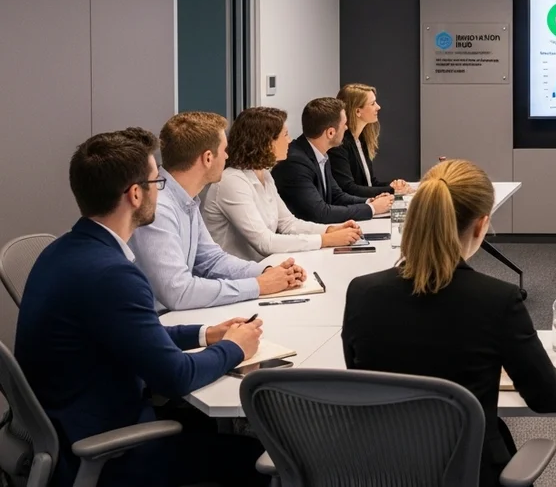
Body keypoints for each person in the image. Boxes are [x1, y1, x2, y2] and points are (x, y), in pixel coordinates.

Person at [16, 128, 267, 487]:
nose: (158, 189)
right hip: (111, 451)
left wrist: (205, 334)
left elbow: (132, 332)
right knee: (260, 461)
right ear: (135, 194)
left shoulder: (61, 251)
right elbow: (175, 376)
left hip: (70, 425)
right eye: (156, 181)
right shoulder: (113, 274)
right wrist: (235, 347)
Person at [342, 159, 556, 487]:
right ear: (481, 225)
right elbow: (548, 398)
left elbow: (360, 376)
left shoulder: (362, 292)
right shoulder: (497, 300)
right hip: (469, 471)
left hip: (379, 471)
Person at [131, 112, 307, 311]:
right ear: (207, 158)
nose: (227, 156)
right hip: (162, 323)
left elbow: (212, 260)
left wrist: (267, 271)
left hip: (176, 318)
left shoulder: (185, 199)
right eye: (224, 150)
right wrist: (258, 285)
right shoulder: (159, 209)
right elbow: (178, 292)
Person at [203, 107, 362, 262]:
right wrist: (325, 239)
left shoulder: (264, 174)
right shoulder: (232, 181)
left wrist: (330, 230)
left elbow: (288, 224)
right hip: (236, 278)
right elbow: (264, 242)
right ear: (266, 142)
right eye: (285, 135)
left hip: (263, 267)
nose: (290, 140)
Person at [273, 97, 395, 223]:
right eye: (344, 124)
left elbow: (337, 196)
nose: (347, 128)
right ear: (330, 133)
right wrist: (371, 208)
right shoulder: (296, 163)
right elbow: (320, 212)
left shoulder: (320, 153)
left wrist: (370, 201)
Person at [330, 83, 414, 198]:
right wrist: (392, 190)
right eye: (372, 103)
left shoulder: (361, 139)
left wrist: (394, 186)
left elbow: (369, 184)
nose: (378, 107)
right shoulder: (340, 145)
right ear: (357, 111)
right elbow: (348, 188)